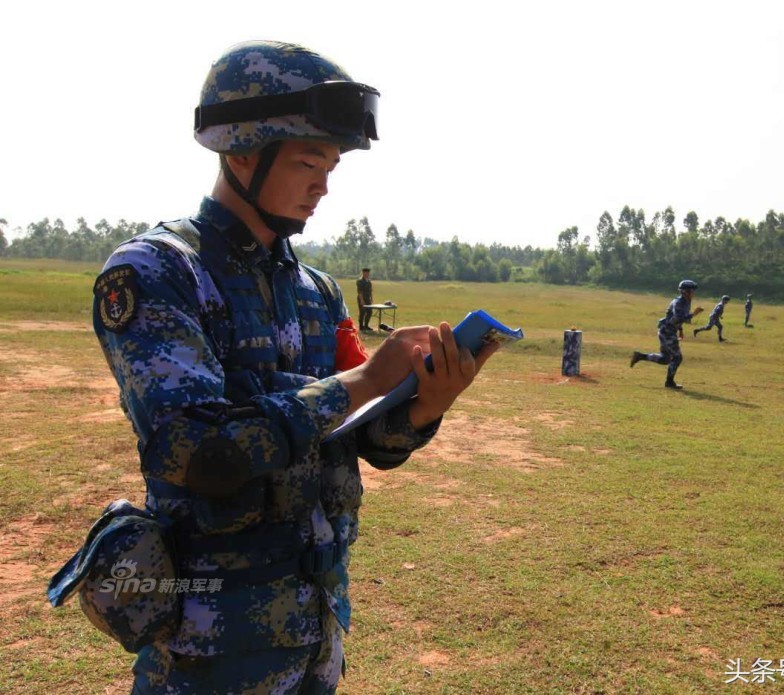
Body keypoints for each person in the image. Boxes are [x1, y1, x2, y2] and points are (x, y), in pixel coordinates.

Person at [73, 40, 498, 693]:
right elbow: (202, 451)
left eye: (332, 164)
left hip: (315, 639)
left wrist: (421, 405)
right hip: (211, 650)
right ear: (241, 152)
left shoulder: (317, 292)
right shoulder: (157, 274)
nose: (324, 183)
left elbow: (362, 439)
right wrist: (371, 377)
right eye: (308, 160)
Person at [629, 279, 704, 389]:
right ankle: (669, 382)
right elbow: (678, 318)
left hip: (669, 331)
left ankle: (640, 356)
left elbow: (677, 319)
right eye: (692, 291)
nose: (694, 293)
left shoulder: (686, 301)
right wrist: (693, 314)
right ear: (686, 292)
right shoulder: (679, 302)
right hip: (667, 332)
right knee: (677, 358)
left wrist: (681, 330)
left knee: (665, 359)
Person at [356, 267, 374, 332]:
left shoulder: (369, 281)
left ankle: (366, 325)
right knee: (362, 313)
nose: (367, 274)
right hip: (362, 298)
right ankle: (361, 326)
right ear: (363, 273)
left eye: (368, 273)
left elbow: (370, 291)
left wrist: (371, 299)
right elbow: (360, 292)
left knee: (370, 312)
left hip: (368, 299)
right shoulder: (360, 281)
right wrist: (361, 300)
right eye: (365, 273)